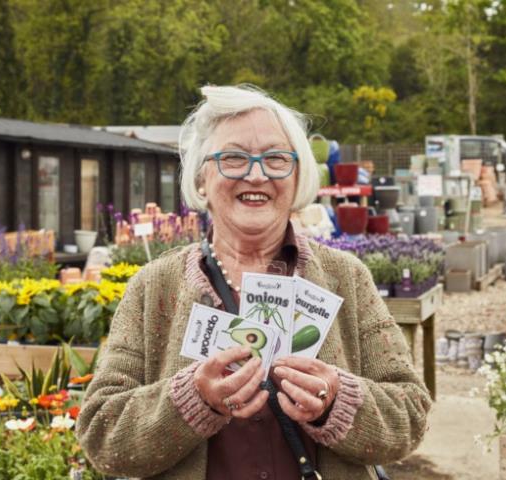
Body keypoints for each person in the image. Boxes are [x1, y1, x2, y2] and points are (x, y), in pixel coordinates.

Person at [76, 85, 431, 479]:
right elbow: (100, 434)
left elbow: (410, 413)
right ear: (200, 179)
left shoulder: (346, 279)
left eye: (276, 159)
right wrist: (193, 398)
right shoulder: (153, 288)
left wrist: (336, 400)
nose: (257, 174)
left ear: (297, 178)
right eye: (233, 158)